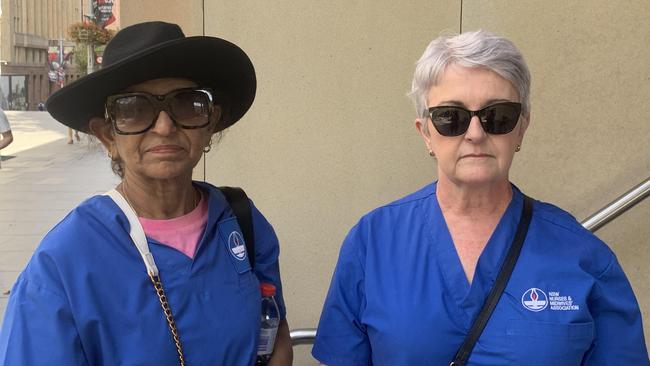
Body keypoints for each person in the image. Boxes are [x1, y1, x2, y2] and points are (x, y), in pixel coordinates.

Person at [312, 30, 649, 365]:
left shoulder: (583, 256)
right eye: (450, 117)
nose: (475, 134)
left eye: (497, 116)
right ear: (425, 133)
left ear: (521, 128)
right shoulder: (373, 242)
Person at [0, 21, 292, 365]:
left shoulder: (242, 221)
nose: (165, 126)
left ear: (210, 123)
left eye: (186, 104)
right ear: (108, 136)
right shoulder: (65, 260)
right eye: (133, 108)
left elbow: (274, 335)